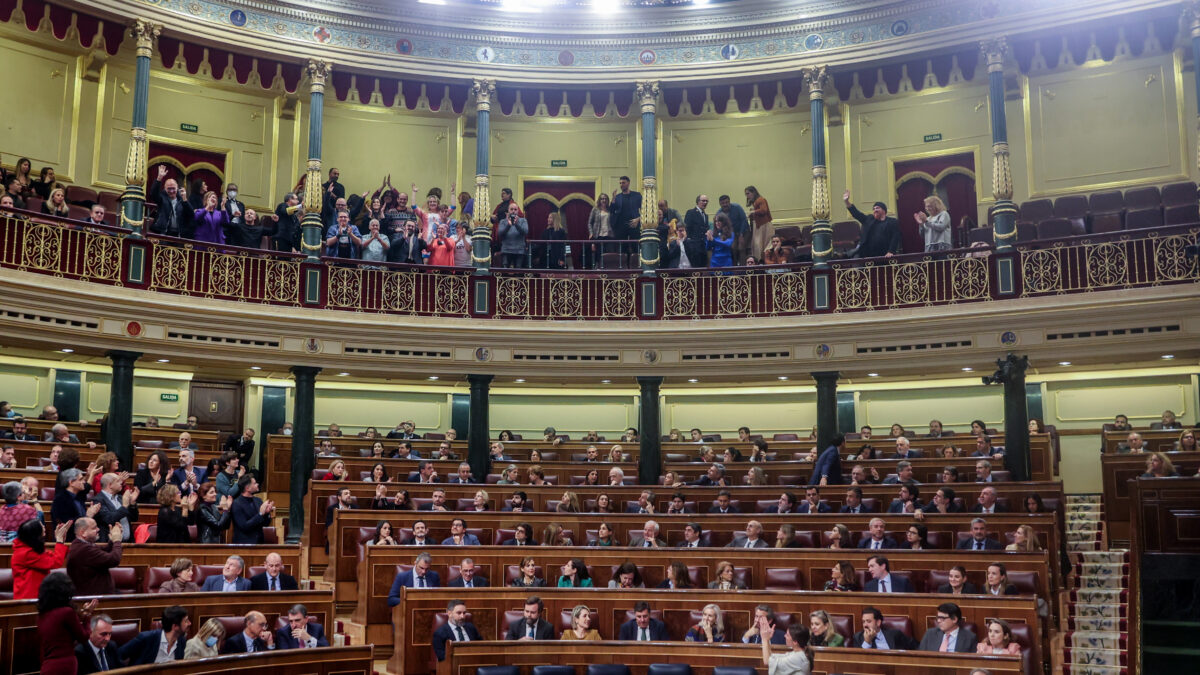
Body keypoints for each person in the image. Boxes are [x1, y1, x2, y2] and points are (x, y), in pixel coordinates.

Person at [37, 572, 97, 675]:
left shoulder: (41, 615)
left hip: (47, 665)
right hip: (65, 664)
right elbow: (83, 637)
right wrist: (87, 615)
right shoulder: (67, 612)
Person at [13, 519, 71, 599]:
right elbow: (55, 562)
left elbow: (50, 556)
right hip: (29, 598)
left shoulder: (29, 547)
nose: (44, 526)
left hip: (39, 595)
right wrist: (59, 541)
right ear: (35, 533)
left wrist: (61, 540)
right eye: (41, 526)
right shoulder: (26, 553)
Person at [66, 518, 123, 595]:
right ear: (83, 533)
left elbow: (103, 551)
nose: (98, 529)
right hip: (94, 601)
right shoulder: (83, 549)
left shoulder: (81, 544)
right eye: (94, 528)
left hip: (100, 597)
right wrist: (117, 540)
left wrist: (113, 540)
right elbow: (114, 560)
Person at [120, 605, 191, 664]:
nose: (189, 623)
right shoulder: (146, 638)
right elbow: (118, 655)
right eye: (186, 621)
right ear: (175, 626)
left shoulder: (181, 641)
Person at [843, 189, 901, 258]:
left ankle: (846, 254)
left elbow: (895, 237)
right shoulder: (869, 219)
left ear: (884, 211)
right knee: (855, 260)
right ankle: (845, 255)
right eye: (873, 209)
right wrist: (846, 201)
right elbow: (856, 214)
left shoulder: (892, 221)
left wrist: (891, 251)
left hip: (884, 253)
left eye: (877, 208)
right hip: (866, 253)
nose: (875, 210)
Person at [148, 166, 194, 238]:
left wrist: (185, 200)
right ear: (165, 188)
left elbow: (191, 214)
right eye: (169, 189)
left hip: (180, 235)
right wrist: (159, 178)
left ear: (177, 187)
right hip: (163, 233)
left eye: (173, 188)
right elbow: (153, 194)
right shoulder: (162, 198)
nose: (172, 191)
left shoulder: (182, 200)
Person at [231, 473, 274, 544]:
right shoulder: (236, 503)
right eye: (254, 483)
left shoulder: (258, 500)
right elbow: (244, 526)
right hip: (244, 544)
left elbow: (266, 524)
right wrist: (260, 514)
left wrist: (266, 513)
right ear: (247, 488)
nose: (257, 484)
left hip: (259, 543)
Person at [853, 606, 917, 650]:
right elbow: (857, 660)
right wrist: (867, 642)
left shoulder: (894, 634)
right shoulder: (857, 637)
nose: (865, 625)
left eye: (868, 621)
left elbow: (915, 646)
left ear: (878, 622)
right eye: (863, 622)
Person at [682, 194, 711, 267]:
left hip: (703, 246)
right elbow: (687, 227)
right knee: (695, 267)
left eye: (706, 201)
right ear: (698, 201)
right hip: (693, 246)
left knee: (703, 266)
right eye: (703, 201)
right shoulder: (691, 212)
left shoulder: (705, 215)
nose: (705, 203)